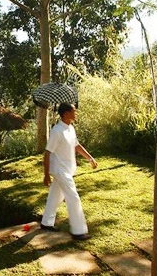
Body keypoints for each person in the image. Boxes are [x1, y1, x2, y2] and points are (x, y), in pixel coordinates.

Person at [40, 102, 98, 240]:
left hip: (67, 169)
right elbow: (47, 153)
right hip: (59, 170)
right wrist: (46, 174)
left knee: (56, 196)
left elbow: (76, 145)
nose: (75, 113)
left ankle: (46, 222)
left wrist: (90, 159)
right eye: (73, 111)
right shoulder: (57, 131)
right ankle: (78, 231)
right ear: (66, 114)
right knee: (74, 198)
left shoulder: (70, 128)